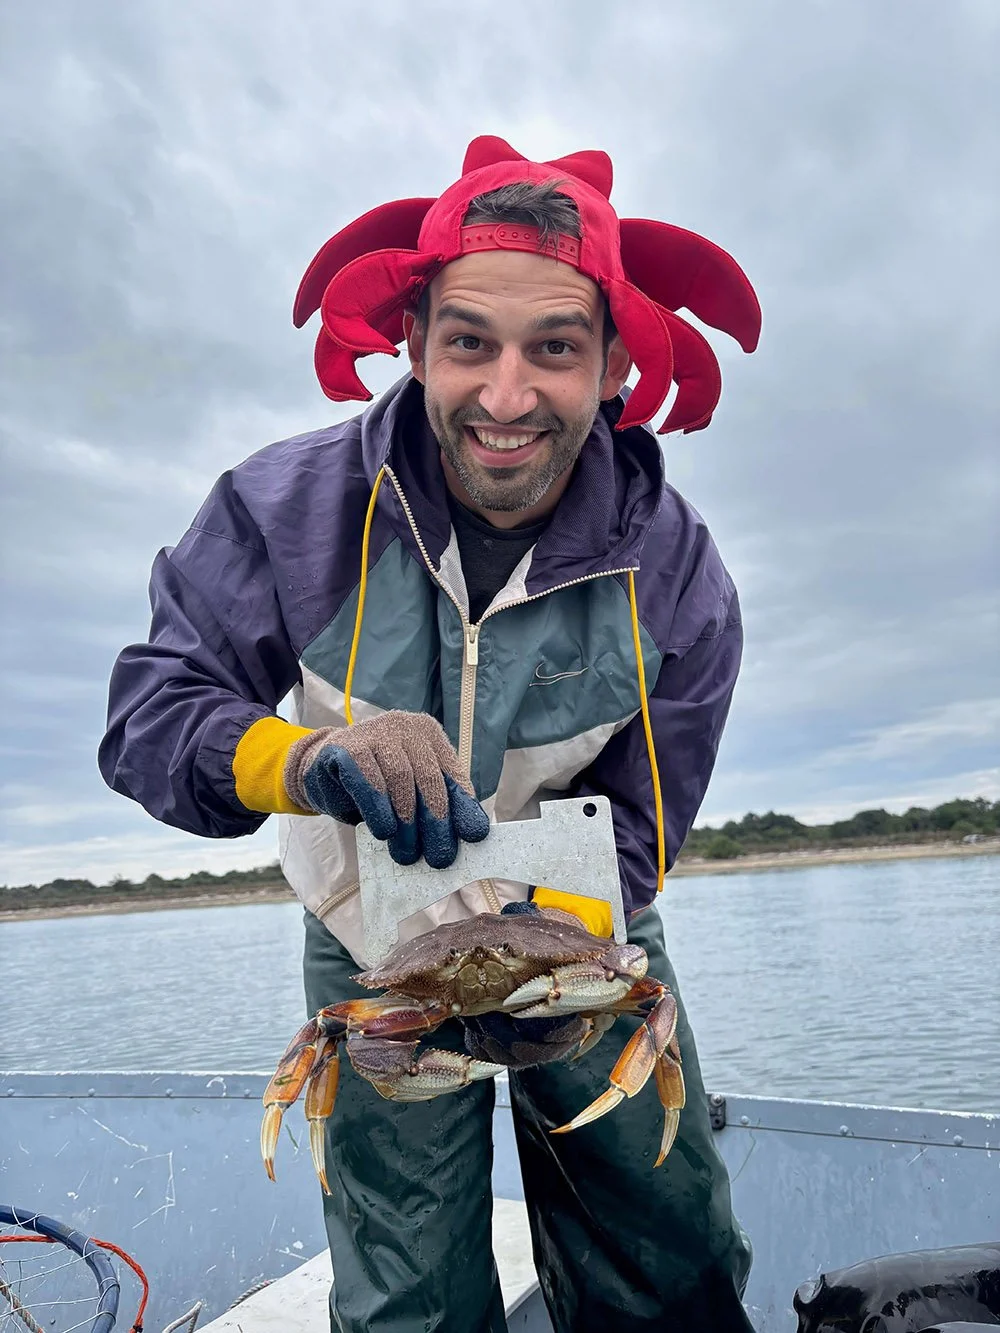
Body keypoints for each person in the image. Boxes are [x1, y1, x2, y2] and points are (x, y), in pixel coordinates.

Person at [100, 135, 761, 1332]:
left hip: (582, 925)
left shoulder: (672, 574)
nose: (506, 398)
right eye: (469, 342)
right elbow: (150, 712)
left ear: (615, 361)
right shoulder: (283, 513)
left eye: (554, 347)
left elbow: (640, 823)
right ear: (412, 343)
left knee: (664, 1249)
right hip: (369, 929)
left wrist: (581, 945)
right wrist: (302, 762)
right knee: (407, 1291)